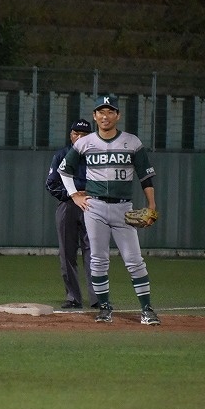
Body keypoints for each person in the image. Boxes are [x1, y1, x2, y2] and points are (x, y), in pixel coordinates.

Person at [57, 94, 160, 325]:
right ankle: (104, 308)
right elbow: (65, 170)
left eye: (110, 111)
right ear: (95, 116)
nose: (105, 116)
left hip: (124, 209)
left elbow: (145, 177)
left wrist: (151, 205)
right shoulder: (85, 143)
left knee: (134, 260)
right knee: (98, 260)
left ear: (117, 115)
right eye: (101, 112)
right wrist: (74, 195)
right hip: (95, 207)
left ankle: (147, 310)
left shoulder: (132, 142)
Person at [45, 119, 98, 310]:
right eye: (76, 134)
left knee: (94, 253)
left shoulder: (97, 157)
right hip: (68, 205)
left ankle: (97, 298)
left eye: (84, 135)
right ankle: (73, 297)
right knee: (67, 252)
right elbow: (51, 184)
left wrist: (91, 193)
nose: (79, 137)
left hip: (92, 205)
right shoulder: (61, 155)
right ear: (71, 135)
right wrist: (72, 194)